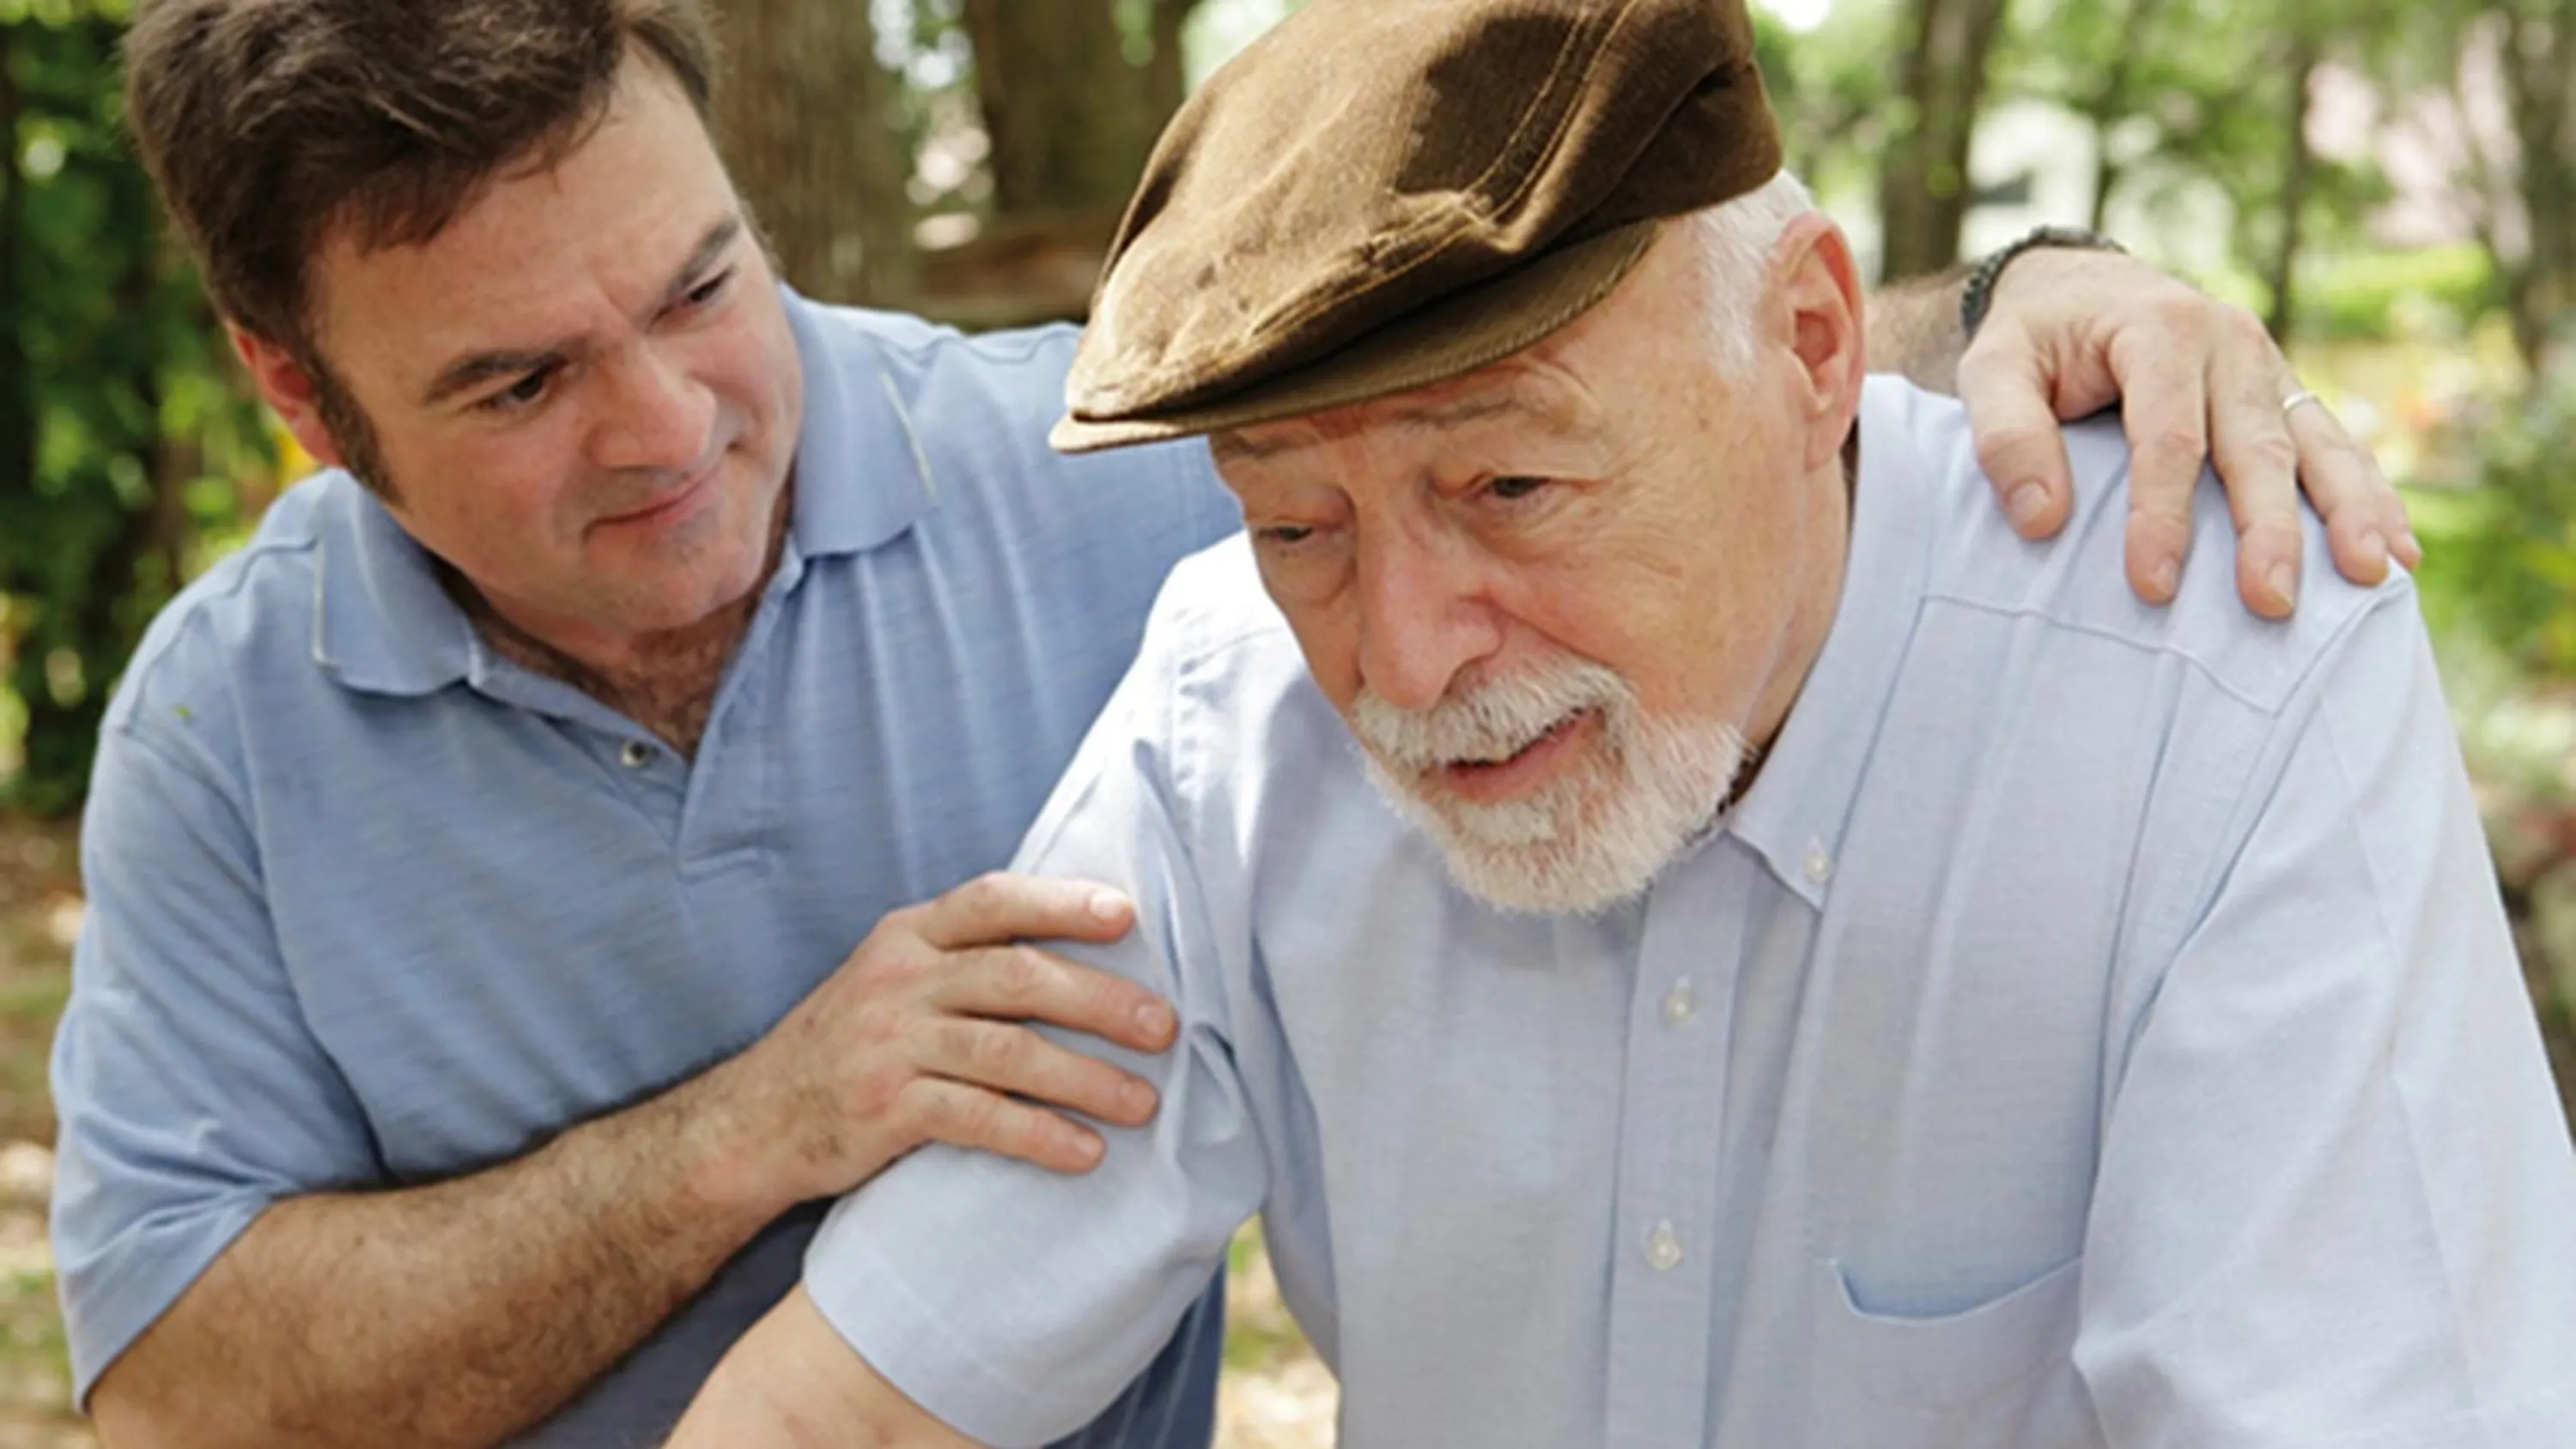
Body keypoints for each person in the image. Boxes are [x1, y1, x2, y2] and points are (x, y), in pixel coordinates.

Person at [54, 1, 2419, 1446]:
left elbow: (1590, 368)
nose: (671, 420)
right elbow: (171, 1399)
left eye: (704, 286)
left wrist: (2049, 294)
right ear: (301, 392)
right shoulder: (226, 744)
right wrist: (746, 1133)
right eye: (520, 380)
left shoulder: (1106, 501)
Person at [666, 0, 2576, 1445]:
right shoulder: (1220, 717)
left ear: (1817, 347)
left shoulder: (2222, 678)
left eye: (1512, 491)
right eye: (1297, 525)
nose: (1404, 664)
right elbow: (846, 1404)